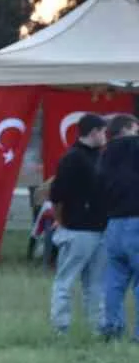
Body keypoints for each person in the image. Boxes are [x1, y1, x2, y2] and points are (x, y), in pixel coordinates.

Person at [47, 113, 108, 334]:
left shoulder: (99, 157)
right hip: (78, 230)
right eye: (103, 132)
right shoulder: (72, 159)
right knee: (66, 280)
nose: (105, 136)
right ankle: (60, 328)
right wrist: (61, 221)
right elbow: (56, 195)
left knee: (96, 284)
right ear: (93, 132)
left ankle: (97, 328)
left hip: (100, 229)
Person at [98, 113, 139, 341]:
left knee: (114, 281)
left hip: (114, 223)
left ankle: (112, 328)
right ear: (129, 127)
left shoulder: (106, 154)